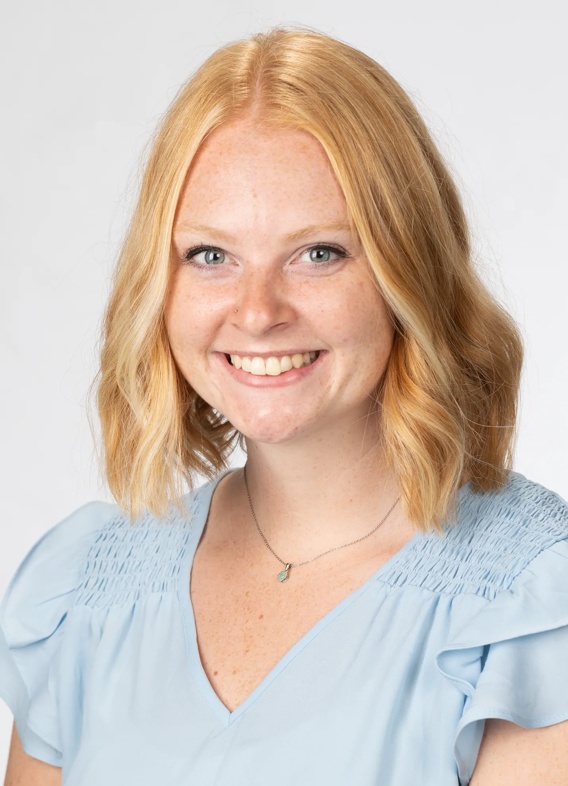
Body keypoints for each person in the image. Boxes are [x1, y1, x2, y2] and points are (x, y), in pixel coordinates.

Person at [1, 26, 567, 786]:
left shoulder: (532, 608)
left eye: (318, 253)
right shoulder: (81, 596)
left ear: (410, 269)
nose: (258, 311)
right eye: (210, 255)